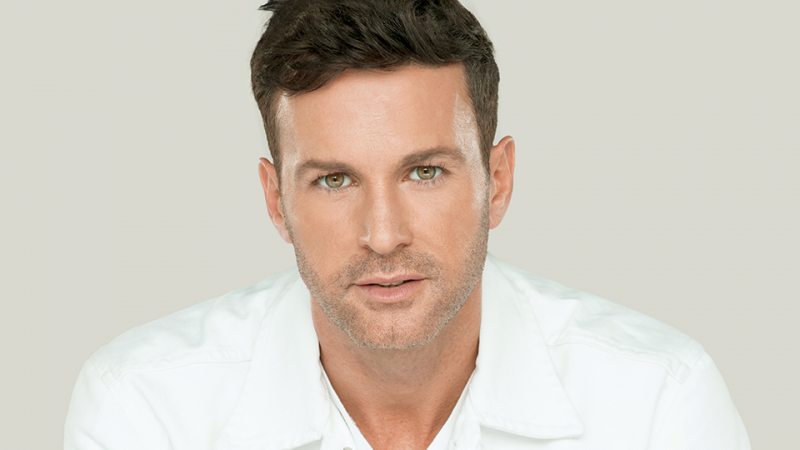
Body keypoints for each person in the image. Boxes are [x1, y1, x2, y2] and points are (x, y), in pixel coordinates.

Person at [64, 0, 750, 449]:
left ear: (498, 180)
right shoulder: (148, 409)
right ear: (276, 201)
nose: (384, 235)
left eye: (424, 172)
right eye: (335, 180)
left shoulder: (655, 404)